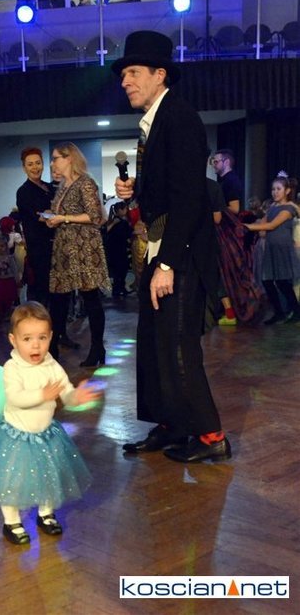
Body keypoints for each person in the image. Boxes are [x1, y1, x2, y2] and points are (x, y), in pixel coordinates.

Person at [113, 30, 230, 463]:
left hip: (180, 252)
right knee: (155, 342)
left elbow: (189, 197)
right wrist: (137, 191)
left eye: (133, 72)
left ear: (159, 74)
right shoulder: (155, 121)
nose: (125, 81)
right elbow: (167, 188)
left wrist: (167, 264)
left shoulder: (179, 117)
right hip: (160, 247)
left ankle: (212, 437)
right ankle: (172, 423)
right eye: (123, 74)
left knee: (179, 344)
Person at [0, 301, 100, 545]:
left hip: (46, 435)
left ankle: (46, 514)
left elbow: (67, 395)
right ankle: (12, 522)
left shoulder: (53, 366)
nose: (35, 345)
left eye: (42, 337)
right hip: (16, 437)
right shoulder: (13, 368)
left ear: (50, 337)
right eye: (27, 338)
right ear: (14, 340)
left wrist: (77, 398)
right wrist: (42, 395)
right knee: (12, 481)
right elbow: (16, 398)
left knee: (49, 476)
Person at [44, 142, 110, 366]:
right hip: (64, 247)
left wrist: (63, 218)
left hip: (83, 246)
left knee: (90, 298)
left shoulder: (85, 182)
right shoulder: (63, 185)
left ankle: (97, 347)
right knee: (59, 298)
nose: (52, 163)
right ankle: (53, 349)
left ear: (69, 158)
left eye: (56, 158)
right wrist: (52, 218)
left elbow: (95, 216)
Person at [243, 172, 300, 323]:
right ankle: (279, 312)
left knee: (282, 282)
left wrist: (248, 226)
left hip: (282, 248)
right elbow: (263, 222)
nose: (275, 192)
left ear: (287, 191)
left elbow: (271, 225)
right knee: (267, 281)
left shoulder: (288, 209)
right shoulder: (273, 207)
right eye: (273, 189)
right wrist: (249, 225)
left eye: (278, 189)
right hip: (270, 248)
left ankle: (295, 311)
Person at [16, 147, 55, 307]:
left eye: (38, 163)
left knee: (58, 292)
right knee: (43, 291)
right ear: (24, 168)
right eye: (30, 164)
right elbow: (40, 216)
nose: (35, 167)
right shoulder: (24, 192)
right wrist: (53, 214)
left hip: (57, 245)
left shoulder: (50, 187)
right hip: (39, 249)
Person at [211, 149, 244, 325]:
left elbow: (235, 208)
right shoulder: (225, 181)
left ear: (227, 162)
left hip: (226, 233)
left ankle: (231, 312)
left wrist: (215, 209)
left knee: (224, 271)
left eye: (216, 161)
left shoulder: (231, 181)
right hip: (223, 232)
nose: (214, 165)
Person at [105, 201, 133, 296]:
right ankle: (119, 288)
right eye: (125, 209)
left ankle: (118, 288)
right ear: (120, 210)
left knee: (118, 270)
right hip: (119, 249)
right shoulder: (121, 222)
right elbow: (127, 234)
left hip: (114, 248)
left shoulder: (113, 220)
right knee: (121, 269)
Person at [0, 235, 19, 320]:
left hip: (9, 280)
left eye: (2, 246)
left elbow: (14, 269)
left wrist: (17, 280)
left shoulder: (10, 258)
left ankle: (7, 313)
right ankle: (0, 314)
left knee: (8, 298)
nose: (0, 248)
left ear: (6, 247)